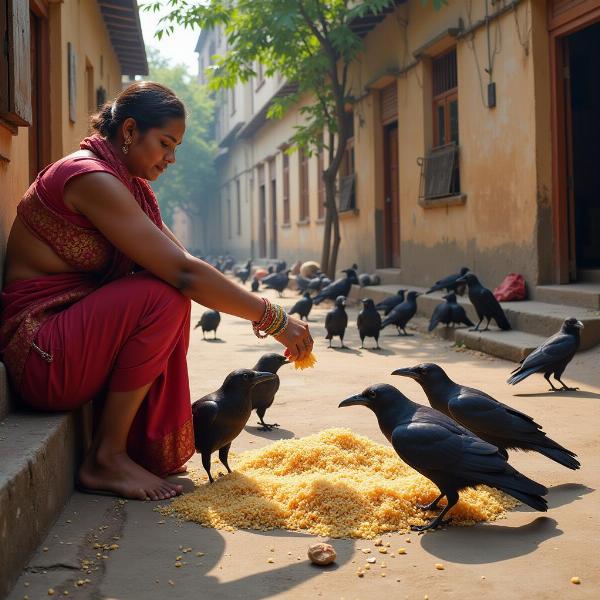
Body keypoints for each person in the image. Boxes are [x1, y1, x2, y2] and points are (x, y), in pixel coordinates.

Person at [0, 81, 313, 501]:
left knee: (165, 288)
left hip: (75, 342)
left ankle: (120, 450)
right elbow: (183, 274)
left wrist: (271, 314)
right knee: (161, 296)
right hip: (41, 354)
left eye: (176, 147)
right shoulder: (88, 177)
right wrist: (273, 318)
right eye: (166, 143)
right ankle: (105, 459)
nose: (171, 158)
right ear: (129, 131)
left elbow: (183, 260)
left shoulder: (125, 184)